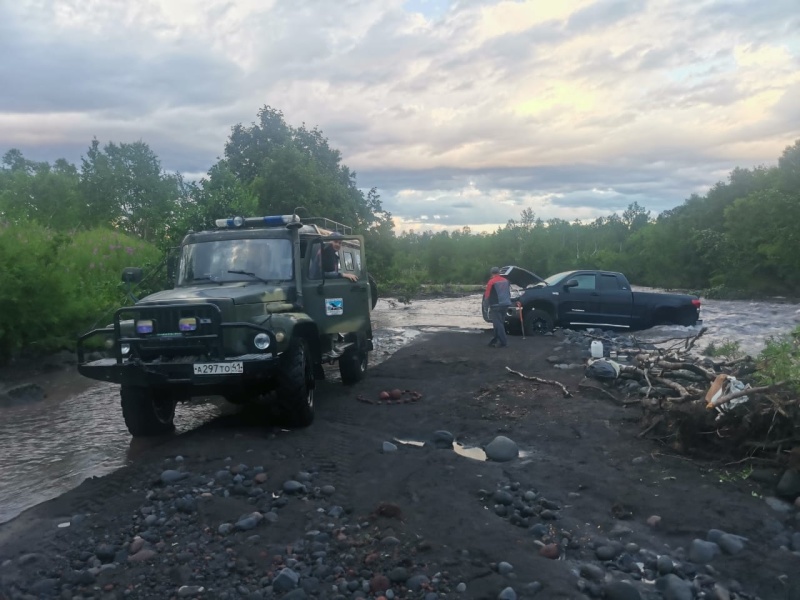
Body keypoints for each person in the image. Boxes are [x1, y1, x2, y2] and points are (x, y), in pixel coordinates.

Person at [484, 266, 511, 348]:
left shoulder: (491, 282)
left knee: (498, 324)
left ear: (492, 273)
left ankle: (503, 342)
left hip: (496, 305)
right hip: (506, 304)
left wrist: (486, 307)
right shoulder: (506, 281)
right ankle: (495, 339)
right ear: (499, 272)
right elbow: (508, 293)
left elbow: (487, 295)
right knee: (499, 323)